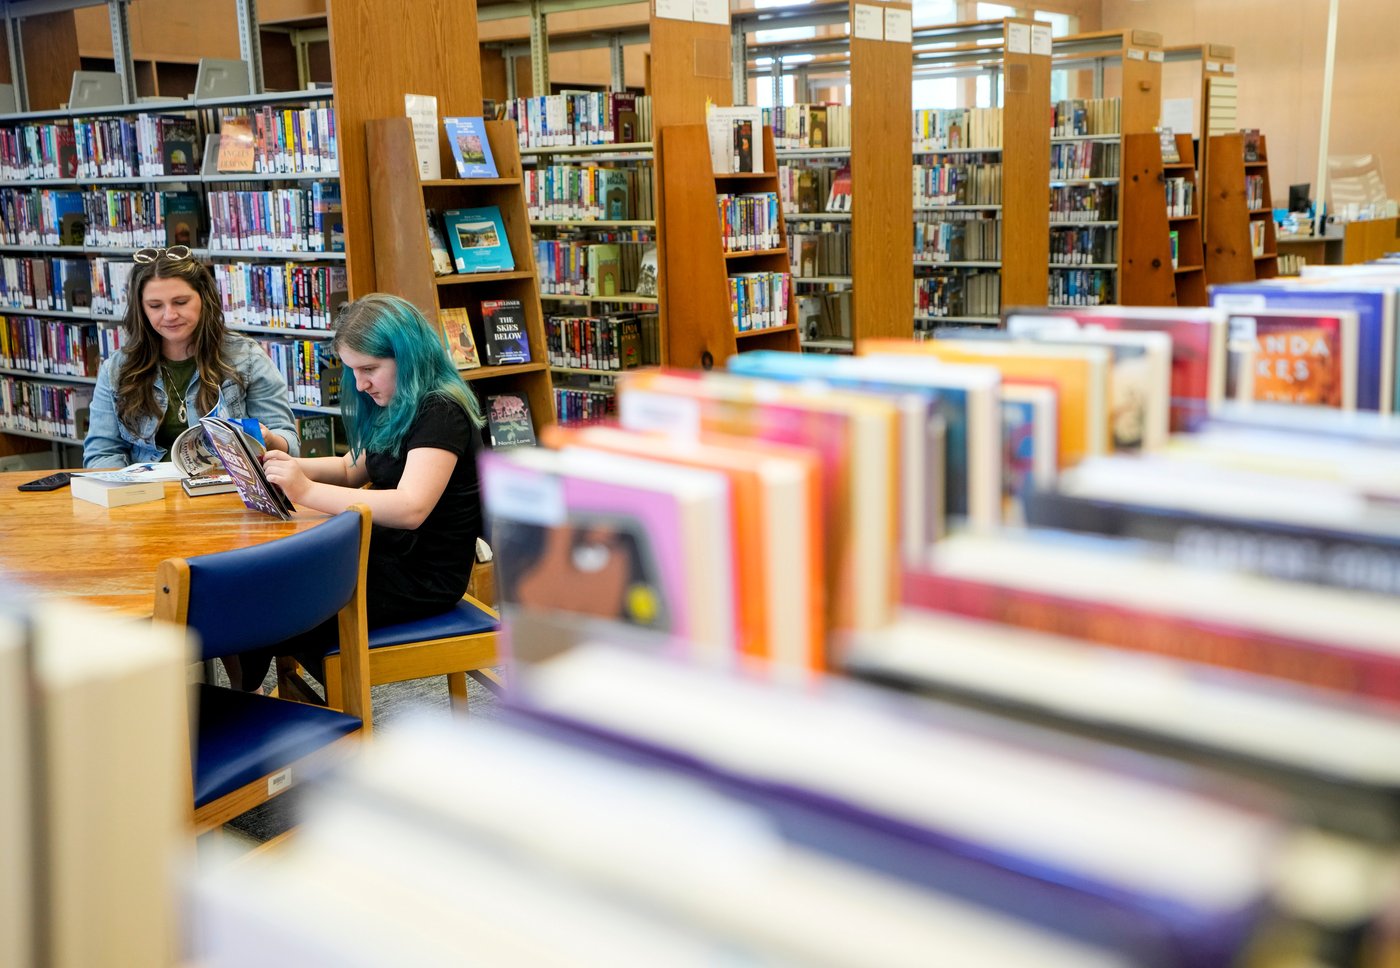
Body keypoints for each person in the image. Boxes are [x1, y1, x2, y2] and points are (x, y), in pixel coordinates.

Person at [262, 292, 485, 644]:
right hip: (387, 551)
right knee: (274, 583)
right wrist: (281, 463)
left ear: (409, 357)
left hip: (421, 576)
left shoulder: (441, 411)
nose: (360, 384)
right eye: (352, 371)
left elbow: (411, 507)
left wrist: (305, 490)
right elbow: (349, 470)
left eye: (368, 369)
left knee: (280, 599)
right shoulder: (398, 401)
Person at [83, 245, 299, 468]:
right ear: (142, 309)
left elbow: (290, 442)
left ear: (204, 298)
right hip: (146, 488)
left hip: (226, 485)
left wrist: (269, 440)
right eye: (155, 306)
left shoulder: (247, 358)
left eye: (181, 302)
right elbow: (101, 453)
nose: (170, 315)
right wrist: (128, 486)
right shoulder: (117, 369)